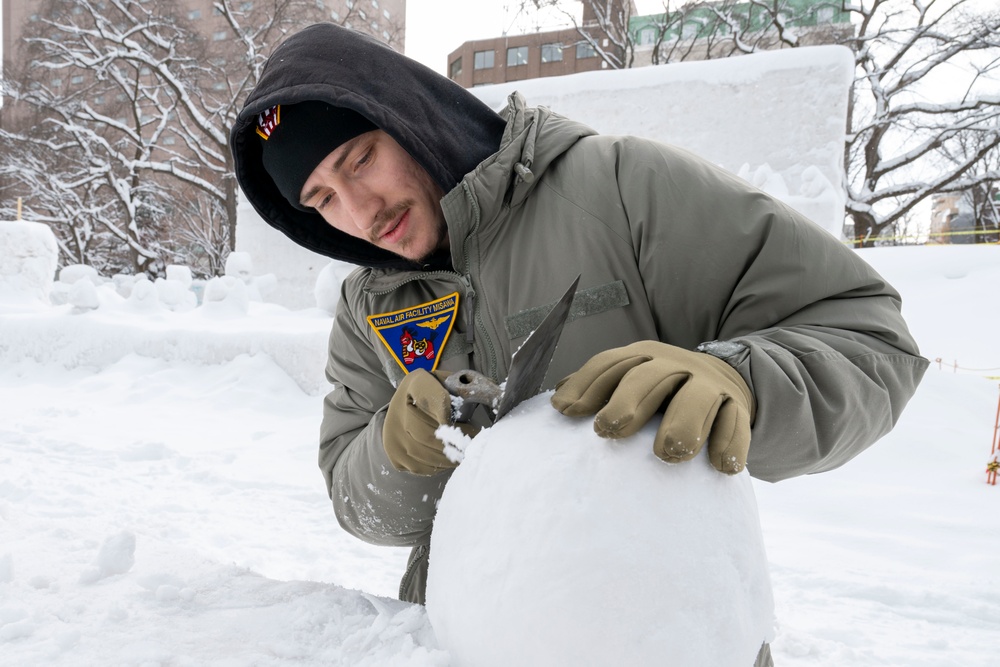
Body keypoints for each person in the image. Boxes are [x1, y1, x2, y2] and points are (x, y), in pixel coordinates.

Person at [230, 22, 928, 661]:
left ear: (406, 117)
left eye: (359, 161)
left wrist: (744, 383)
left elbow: (868, 332)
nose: (359, 211)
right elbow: (356, 501)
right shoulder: (368, 305)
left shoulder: (620, 189)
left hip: (663, 640)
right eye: (321, 199)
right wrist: (398, 450)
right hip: (464, 641)